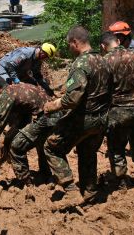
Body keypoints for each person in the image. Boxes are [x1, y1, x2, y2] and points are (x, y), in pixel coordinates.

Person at [43, 26, 111, 208]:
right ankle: (90, 192)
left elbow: (72, 98)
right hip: (102, 119)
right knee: (87, 152)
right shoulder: (104, 61)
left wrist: (52, 106)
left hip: (83, 119)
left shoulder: (81, 64)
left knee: (51, 147)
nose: (69, 48)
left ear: (75, 42)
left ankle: (71, 191)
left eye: (69, 44)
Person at [100, 32, 134, 188]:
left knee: (116, 146)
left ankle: (121, 180)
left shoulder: (104, 61)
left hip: (118, 111)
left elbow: (101, 90)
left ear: (103, 47)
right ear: (118, 41)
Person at [0, 75, 54, 186]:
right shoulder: (19, 86)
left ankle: (25, 182)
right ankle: (46, 175)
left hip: (45, 118)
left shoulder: (7, 94)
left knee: (16, 147)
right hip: (53, 115)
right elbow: (26, 112)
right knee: (40, 143)